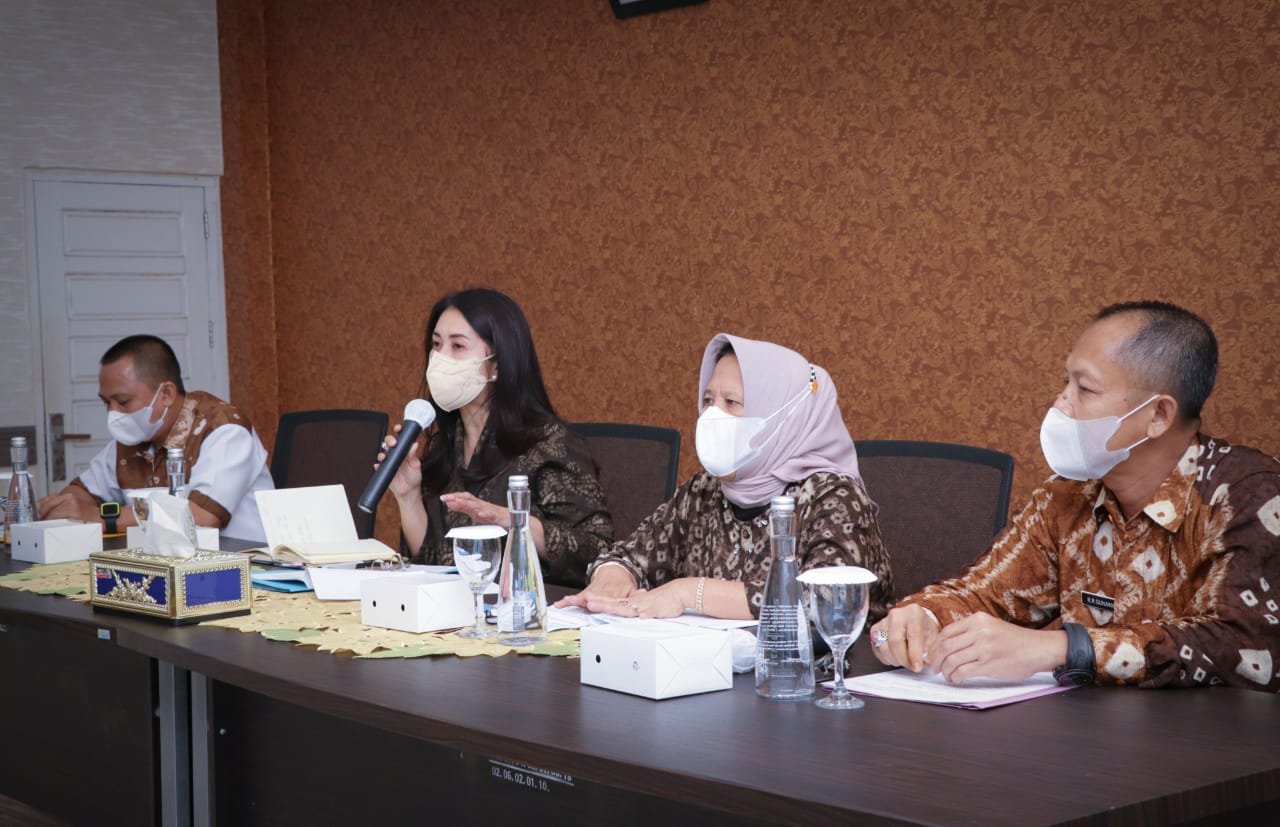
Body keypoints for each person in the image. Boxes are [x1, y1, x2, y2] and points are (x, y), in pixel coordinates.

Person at [871, 301, 1280, 692]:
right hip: (1083, 733)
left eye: (1085, 388)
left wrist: (1062, 648)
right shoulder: (1066, 495)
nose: (1061, 403)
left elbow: (1245, 647)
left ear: (1158, 415)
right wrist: (922, 618)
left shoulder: (1247, 496)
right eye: (1065, 382)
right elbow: (983, 594)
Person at [558, 333, 892, 621]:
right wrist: (612, 578)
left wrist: (688, 593)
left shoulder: (833, 496)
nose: (713, 414)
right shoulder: (705, 490)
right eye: (708, 400)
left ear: (784, 416)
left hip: (826, 673)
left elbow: (828, 602)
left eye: (732, 402)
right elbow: (629, 554)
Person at [382, 288, 612, 587]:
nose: (441, 358)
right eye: (436, 345)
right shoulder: (445, 445)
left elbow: (597, 551)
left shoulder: (550, 443)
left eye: (458, 346)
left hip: (531, 609)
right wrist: (408, 497)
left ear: (497, 365)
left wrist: (512, 521)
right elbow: (433, 564)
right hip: (457, 608)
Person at [38, 335, 273, 542]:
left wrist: (101, 518)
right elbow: (80, 493)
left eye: (123, 401)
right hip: (166, 564)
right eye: (106, 402)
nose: (113, 413)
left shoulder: (224, 430)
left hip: (244, 565)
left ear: (166, 394)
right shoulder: (133, 439)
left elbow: (201, 517)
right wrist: (66, 508)